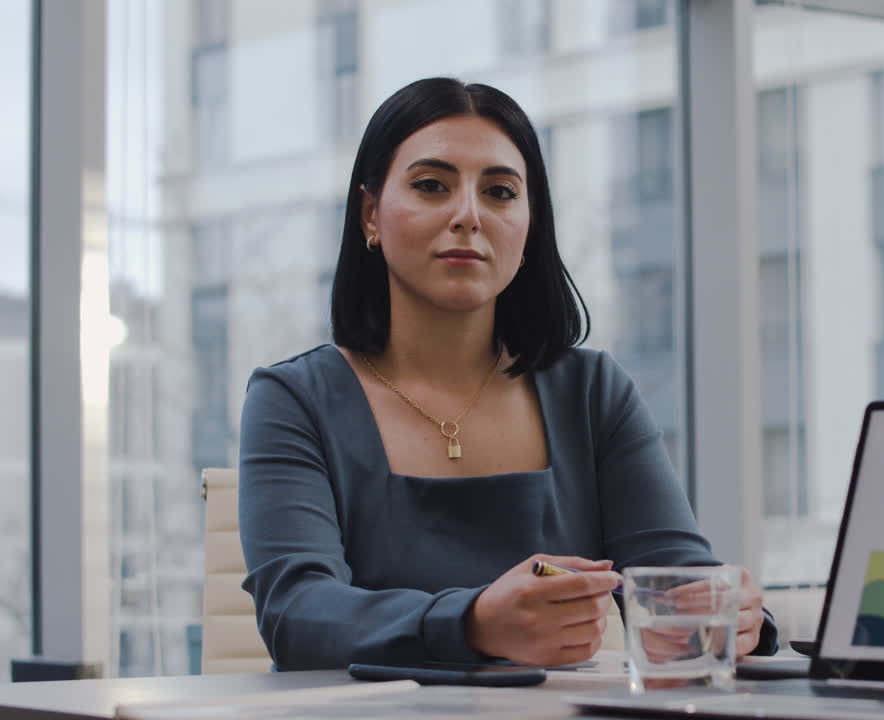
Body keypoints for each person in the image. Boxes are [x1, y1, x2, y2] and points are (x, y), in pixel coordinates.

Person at [238, 77, 778, 670]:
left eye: (499, 192)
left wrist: (734, 614)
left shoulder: (594, 394)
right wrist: (473, 624)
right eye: (430, 186)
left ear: (528, 226)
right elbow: (296, 613)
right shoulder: (294, 398)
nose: (468, 215)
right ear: (371, 214)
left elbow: (677, 588)